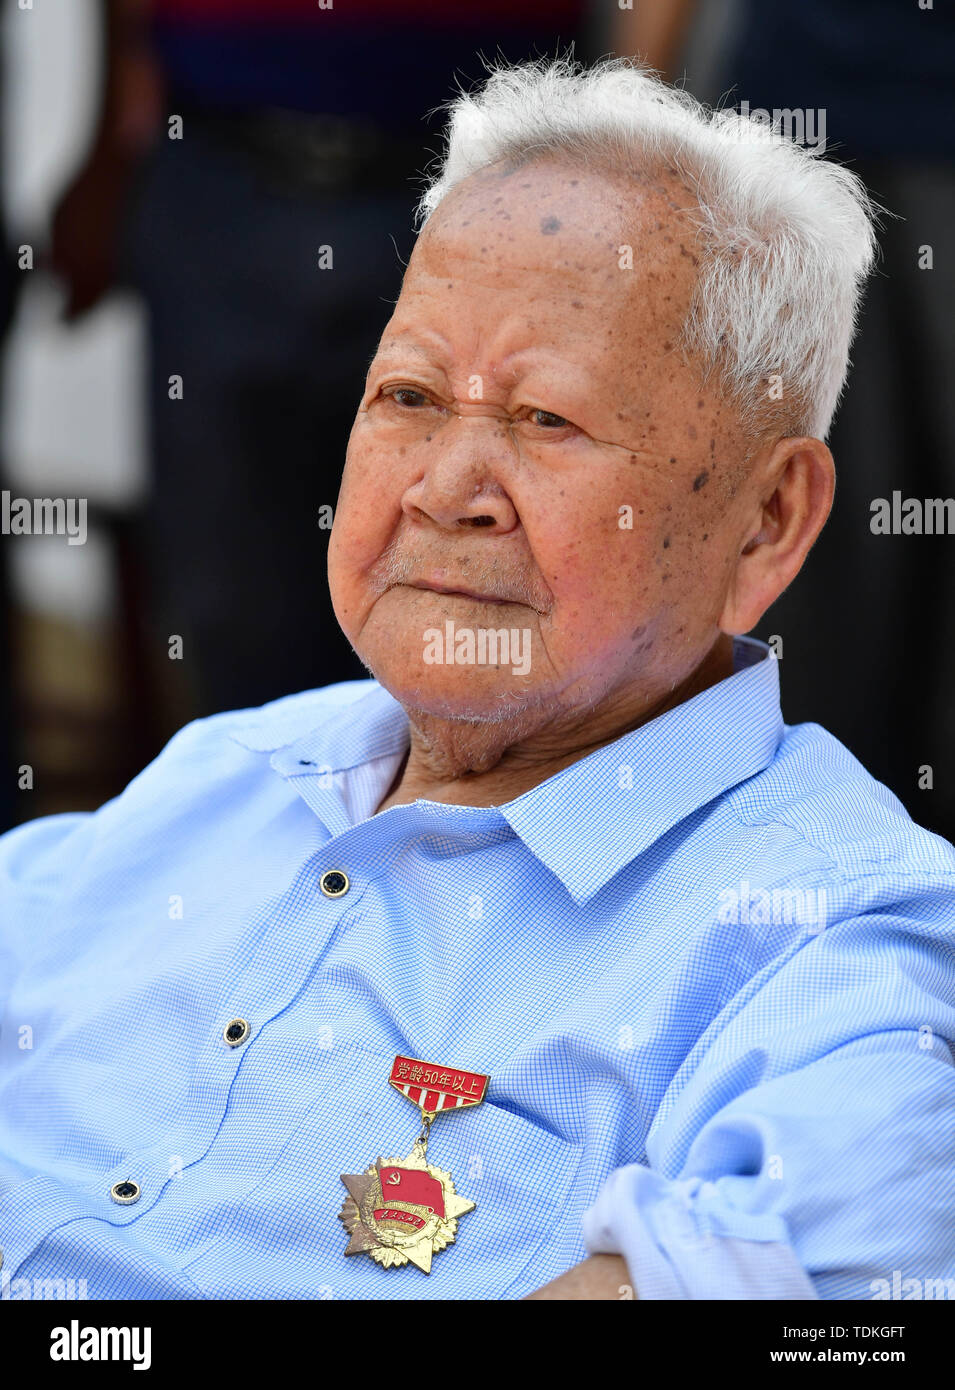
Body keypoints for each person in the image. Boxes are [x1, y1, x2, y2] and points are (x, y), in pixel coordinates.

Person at [2, 58, 953, 1302]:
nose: (445, 488)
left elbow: (824, 1281)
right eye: (405, 395)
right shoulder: (230, 774)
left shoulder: (833, 930)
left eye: (547, 420)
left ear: (767, 519)